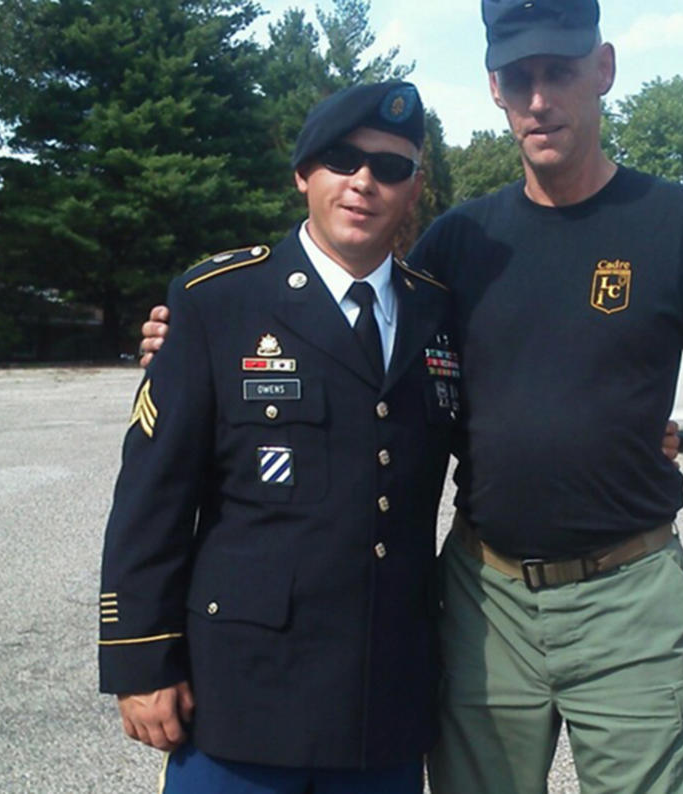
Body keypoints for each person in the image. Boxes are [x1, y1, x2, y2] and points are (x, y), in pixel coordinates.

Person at [138, 2, 683, 787]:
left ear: (602, 70)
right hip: (487, 601)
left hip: (630, 594)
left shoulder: (679, 224)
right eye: (519, 78)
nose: (540, 98)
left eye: (560, 72)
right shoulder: (459, 244)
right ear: (495, 90)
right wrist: (197, 331)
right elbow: (342, 323)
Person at [99, 81, 461, 794]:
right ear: (303, 174)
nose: (364, 182)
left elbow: (511, 428)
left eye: (391, 168)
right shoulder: (217, 302)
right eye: (341, 159)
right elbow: (151, 497)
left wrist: (633, 438)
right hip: (243, 702)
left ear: (414, 188)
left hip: (380, 706)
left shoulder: (438, 312)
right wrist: (141, 662)